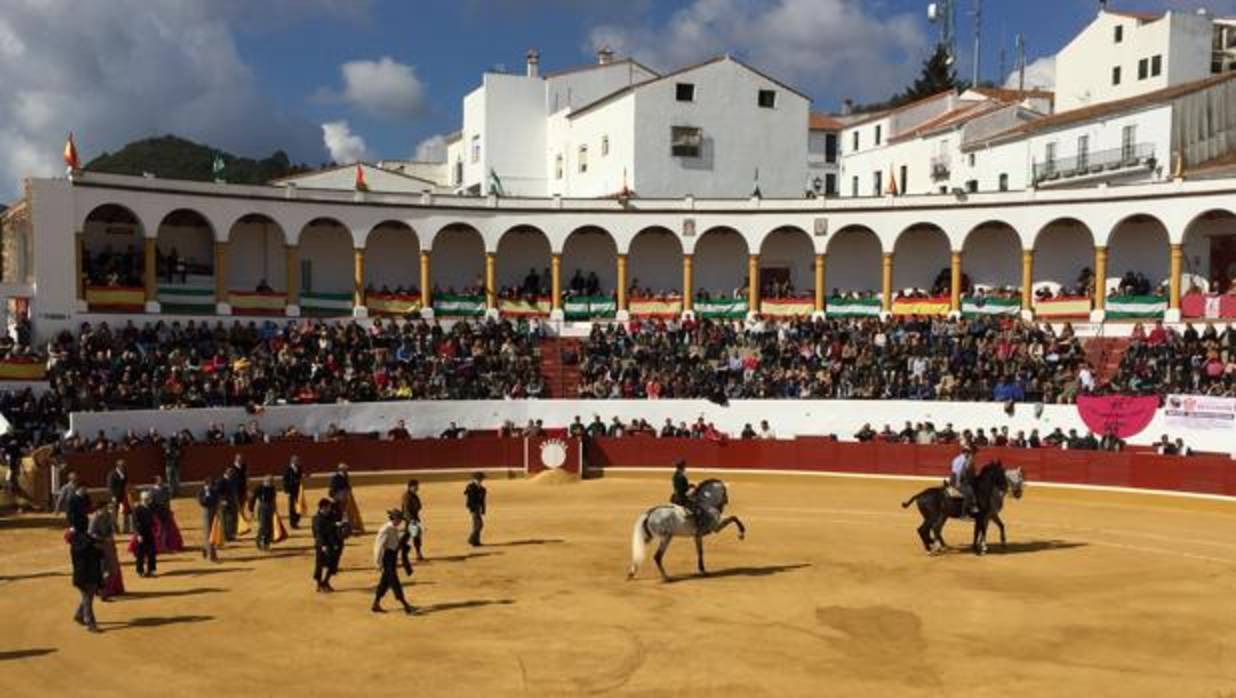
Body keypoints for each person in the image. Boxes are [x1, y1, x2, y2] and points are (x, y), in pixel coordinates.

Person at [372, 509, 416, 615]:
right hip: (387, 558)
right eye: (400, 519)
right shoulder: (386, 529)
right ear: (395, 519)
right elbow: (378, 547)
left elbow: (395, 543)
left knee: (384, 582)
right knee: (394, 582)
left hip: (392, 557)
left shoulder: (393, 528)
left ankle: (375, 603)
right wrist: (378, 563)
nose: (401, 522)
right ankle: (405, 604)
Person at [69, 525, 103, 633]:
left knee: (87, 597)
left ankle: (79, 615)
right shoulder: (89, 545)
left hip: (80, 576)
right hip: (88, 575)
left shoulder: (76, 545)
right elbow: (98, 553)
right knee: (88, 598)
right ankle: (90, 622)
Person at [89, 502, 124, 600]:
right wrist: (103, 539)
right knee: (103, 568)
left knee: (112, 567)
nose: (107, 510)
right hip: (98, 546)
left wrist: (110, 535)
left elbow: (112, 529)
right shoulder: (95, 518)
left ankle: (109, 590)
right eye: (105, 508)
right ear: (99, 509)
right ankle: (101, 591)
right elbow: (91, 534)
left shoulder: (108, 515)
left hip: (109, 545)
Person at [312, 498, 343, 593]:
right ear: (323, 508)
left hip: (334, 544)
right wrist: (323, 545)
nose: (330, 509)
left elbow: (338, 517)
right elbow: (318, 533)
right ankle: (319, 584)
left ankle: (325, 582)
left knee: (333, 564)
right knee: (320, 565)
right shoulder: (317, 519)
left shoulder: (331, 515)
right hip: (322, 545)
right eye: (328, 507)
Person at [131, 490, 158, 578]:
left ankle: (151, 570)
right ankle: (140, 571)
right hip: (141, 533)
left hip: (149, 532)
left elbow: (153, 520)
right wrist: (138, 535)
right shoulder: (137, 509)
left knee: (151, 552)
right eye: (146, 499)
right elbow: (135, 523)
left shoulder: (151, 507)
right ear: (142, 499)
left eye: (148, 498)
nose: (148, 500)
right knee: (140, 553)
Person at [400, 479, 425, 567]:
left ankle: (418, 553)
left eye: (417, 486)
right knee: (412, 536)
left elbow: (419, 506)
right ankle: (418, 553)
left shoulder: (413, 495)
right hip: (411, 520)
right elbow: (406, 510)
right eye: (415, 486)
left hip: (414, 519)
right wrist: (411, 520)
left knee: (410, 536)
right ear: (410, 487)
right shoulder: (407, 496)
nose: (417, 488)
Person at [249, 475, 278, 551]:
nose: (271, 483)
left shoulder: (272, 488)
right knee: (263, 526)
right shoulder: (259, 488)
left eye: (272, 482)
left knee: (270, 526)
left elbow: (274, 499)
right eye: (270, 481)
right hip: (262, 507)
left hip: (270, 507)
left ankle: (266, 543)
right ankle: (259, 541)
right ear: (265, 481)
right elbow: (253, 499)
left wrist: (275, 509)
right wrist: (251, 510)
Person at [949, 446, 977, 517]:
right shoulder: (963, 460)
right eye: (968, 453)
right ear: (965, 452)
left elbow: (952, 469)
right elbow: (958, 472)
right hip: (956, 480)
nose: (969, 454)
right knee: (968, 494)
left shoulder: (957, 459)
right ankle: (963, 513)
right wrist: (958, 483)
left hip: (954, 479)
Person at [198, 476, 220, 562]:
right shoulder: (202, 492)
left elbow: (217, 500)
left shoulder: (214, 491)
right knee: (209, 534)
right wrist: (207, 496)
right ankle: (212, 555)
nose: (212, 486)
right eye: (210, 484)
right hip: (206, 513)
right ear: (206, 484)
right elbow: (201, 502)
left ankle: (205, 547)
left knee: (213, 533)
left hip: (213, 512)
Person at [106, 460, 131, 534]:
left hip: (123, 496)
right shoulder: (112, 474)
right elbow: (110, 486)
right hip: (115, 496)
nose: (123, 467)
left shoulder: (125, 473)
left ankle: (126, 529)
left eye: (124, 465)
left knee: (126, 512)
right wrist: (113, 496)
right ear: (118, 466)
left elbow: (126, 484)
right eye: (122, 465)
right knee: (114, 513)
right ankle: (115, 530)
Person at [464, 472, 486, 547]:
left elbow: (482, 501)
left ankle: (476, 541)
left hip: (478, 508)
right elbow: (468, 497)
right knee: (479, 525)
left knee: (477, 525)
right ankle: (471, 539)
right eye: (479, 479)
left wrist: (483, 509)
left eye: (481, 479)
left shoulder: (482, 489)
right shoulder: (471, 487)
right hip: (473, 508)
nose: (480, 481)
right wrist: (471, 508)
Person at [282, 455, 304, 529]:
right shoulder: (287, 469)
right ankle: (293, 524)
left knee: (299, 506)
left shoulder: (299, 468)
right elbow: (285, 480)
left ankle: (296, 520)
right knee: (292, 508)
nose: (298, 462)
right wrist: (286, 490)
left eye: (298, 460)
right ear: (292, 461)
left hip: (298, 491)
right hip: (291, 491)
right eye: (296, 460)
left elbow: (300, 478)